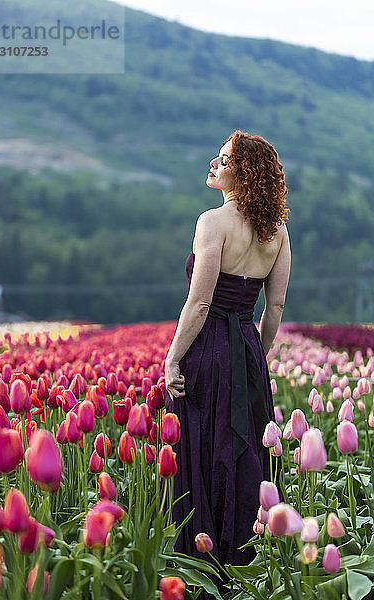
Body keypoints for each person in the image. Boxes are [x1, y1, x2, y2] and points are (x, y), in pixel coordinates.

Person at [164, 129, 291, 591]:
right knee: (242, 452)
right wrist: (258, 355)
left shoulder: (212, 222)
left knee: (203, 445)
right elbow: (274, 308)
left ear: (244, 172)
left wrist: (173, 359)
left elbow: (199, 304)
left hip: (209, 349)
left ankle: (198, 566)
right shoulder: (276, 231)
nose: (213, 163)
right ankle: (246, 563)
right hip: (246, 346)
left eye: (223, 159)